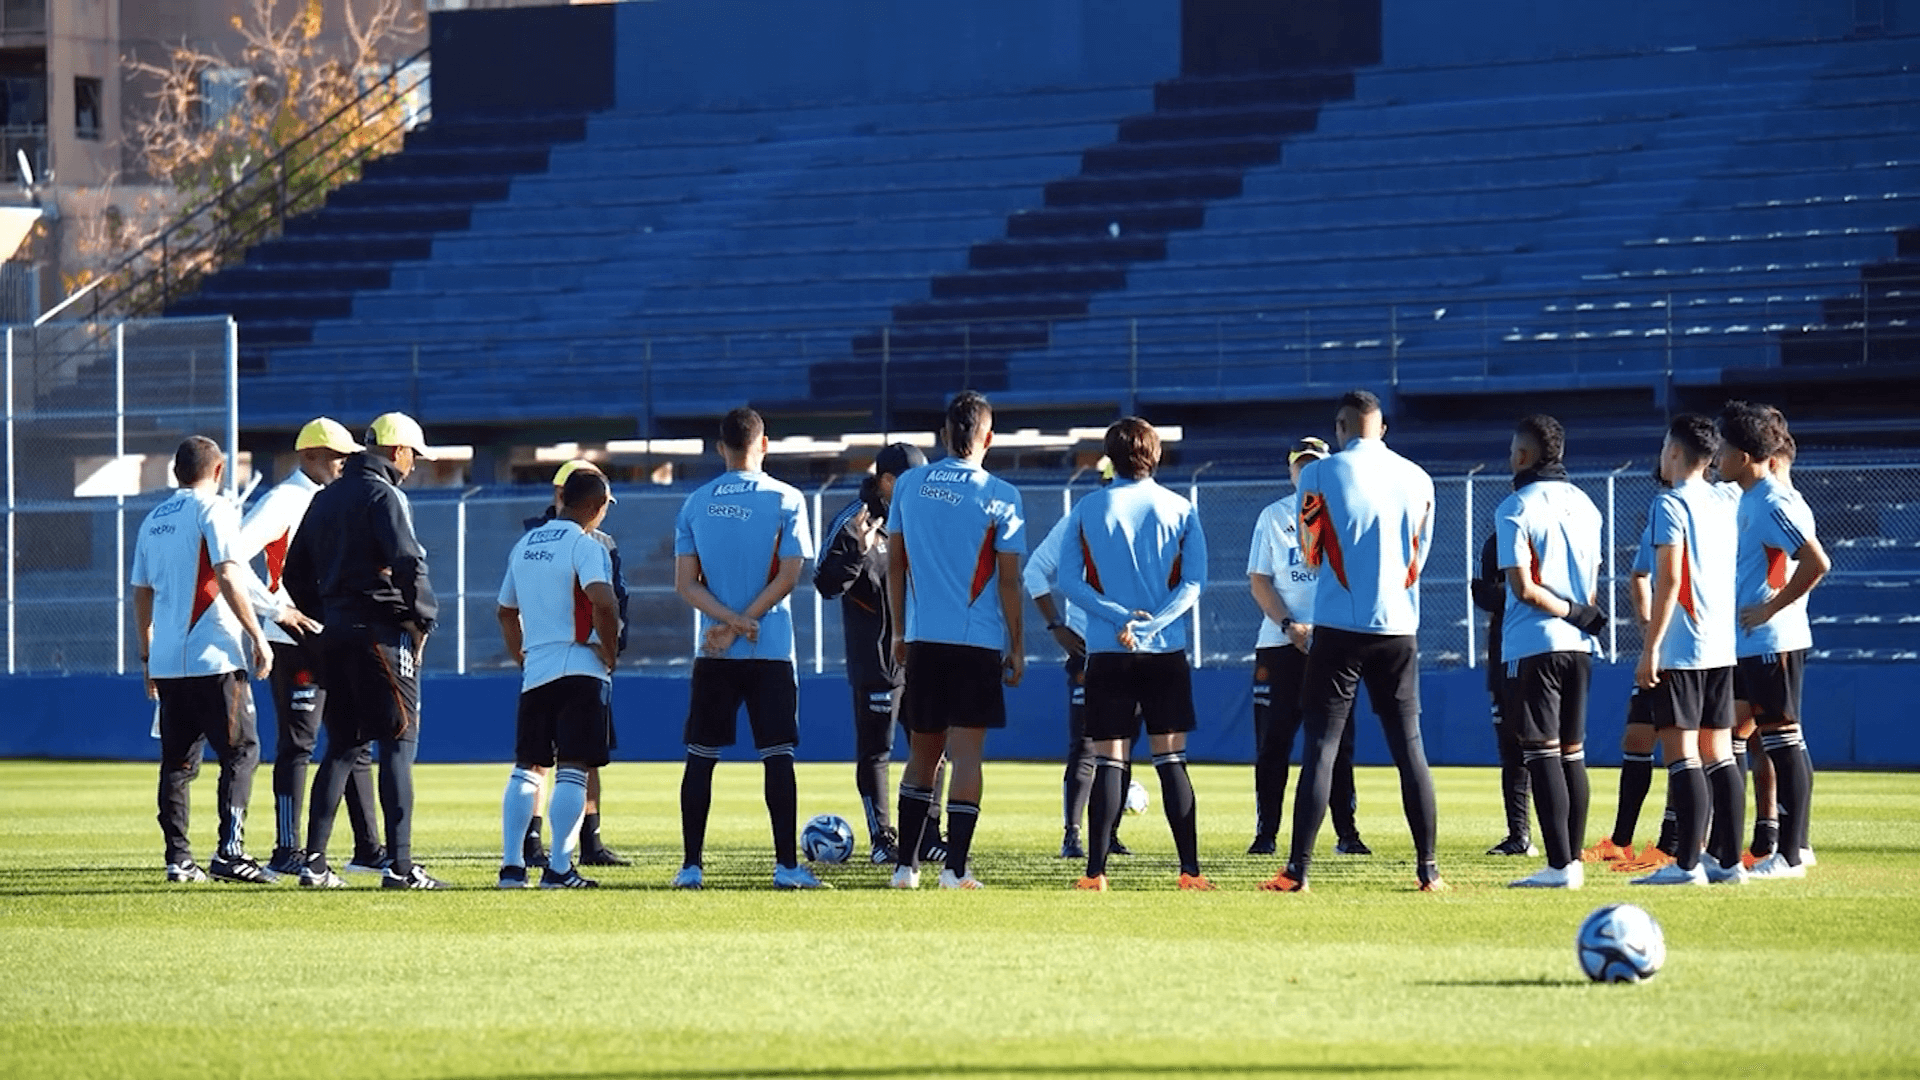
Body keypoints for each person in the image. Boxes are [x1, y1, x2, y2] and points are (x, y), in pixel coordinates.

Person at [1261, 389, 1446, 893]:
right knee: (1410, 748)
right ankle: (1428, 870)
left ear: (1341, 428)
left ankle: (1297, 870)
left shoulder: (1320, 473)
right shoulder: (1419, 478)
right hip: (1398, 626)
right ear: (1382, 428)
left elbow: (1310, 547)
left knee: (1320, 745)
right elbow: (1419, 556)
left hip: (1339, 625)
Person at [283, 411, 444, 890]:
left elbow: (294, 574)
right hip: (380, 635)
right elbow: (407, 561)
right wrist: (421, 619)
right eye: (413, 454)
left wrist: (326, 611)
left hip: (334, 634)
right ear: (397, 451)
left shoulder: (325, 497)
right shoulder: (385, 494)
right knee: (398, 740)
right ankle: (400, 866)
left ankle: (312, 863)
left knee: (344, 746)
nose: (413, 465)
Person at [670, 407, 824, 890]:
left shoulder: (696, 503)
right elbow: (791, 574)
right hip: (770, 647)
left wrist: (728, 624)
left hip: (714, 650)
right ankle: (786, 867)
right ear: (764, 445)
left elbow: (685, 584)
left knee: (701, 756)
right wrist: (746, 622)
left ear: (721, 448)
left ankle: (691, 867)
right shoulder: (787, 499)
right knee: (778, 756)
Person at [1055, 417, 1211, 891]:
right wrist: (1152, 624)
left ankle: (1095, 874)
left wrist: (1120, 618)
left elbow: (1069, 582)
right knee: (1170, 760)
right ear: (1155, 455)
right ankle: (1190, 873)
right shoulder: (1181, 509)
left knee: (1110, 760)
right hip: (1164, 651)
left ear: (1110, 457)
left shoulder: (1088, 508)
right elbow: (1193, 584)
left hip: (1107, 650)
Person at [886, 390, 1026, 890]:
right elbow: (1010, 581)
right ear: (988, 437)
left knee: (922, 756)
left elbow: (894, 566)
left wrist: (900, 631)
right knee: (966, 757)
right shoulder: (1002, 495)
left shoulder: (908, 484)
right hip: (978, 642)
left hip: (923, 640)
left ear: (945, 436)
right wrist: (1018, 644)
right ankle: (955, 869)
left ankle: (906, 868)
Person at [236, 417, 386, 878]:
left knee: (354, 742)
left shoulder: (330, 498)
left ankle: (368, 850)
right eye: (337, 456)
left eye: (347, 457)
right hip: (295, 640)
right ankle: (287, 850)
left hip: (333, 633)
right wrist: (273, 608)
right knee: (299, 743)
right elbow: (232, 554)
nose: (344, 464)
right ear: (309, 456)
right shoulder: (284, 499)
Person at [133, 436, 276, 884]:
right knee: (241, 751)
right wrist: (258, 635)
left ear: (176, 471)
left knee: (176, 764)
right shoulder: (213, 510)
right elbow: (228, 572)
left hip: (169, 664)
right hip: (213, 657)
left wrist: (147, 655)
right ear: (217, 471)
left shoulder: (152, 520)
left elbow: (141, 592)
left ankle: (178, 859)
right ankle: (230, 853)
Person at [812, 441, 950, 865]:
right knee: (877, 752)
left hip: (925, 652)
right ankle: (882, 838)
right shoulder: (853, 520)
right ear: (887, 481)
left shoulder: (925, 518)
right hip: (877, 658)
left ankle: (928, 833)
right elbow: (826, 583)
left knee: (933, 748)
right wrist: (857, 548)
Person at [1494, 415, 1608, 889]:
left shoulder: (1515, 507)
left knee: (1541, 752)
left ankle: (1561, 867)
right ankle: (1572, 861)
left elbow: (1522, 588)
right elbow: (1593, 584)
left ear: (1523, 456)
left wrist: (1566, 611)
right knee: (1572, 754)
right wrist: (1581, 616)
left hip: (1534, 642)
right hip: (1579, 644)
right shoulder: (1587, 504)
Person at [495, 468, 622, 889]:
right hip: (580, 668)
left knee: (527, 769)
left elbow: (505, 611)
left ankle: (512, 868)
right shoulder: (586, 546)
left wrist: (520, 656)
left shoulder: (524, 544)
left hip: (537, 670)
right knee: (573, 768)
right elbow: (603, 601)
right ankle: (560, 868)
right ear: (593, 506)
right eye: (603, 507)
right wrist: (608, 650)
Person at [1631, 414, 1744, 887]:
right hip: (1722, 645)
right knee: (1720, 752)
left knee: (1682, 754)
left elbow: (1670, 579)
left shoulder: (1669, 503)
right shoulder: (1727, 498)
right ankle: (1729, 862)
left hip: (1682, 647)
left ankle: (1687, 866)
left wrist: (1650, 648)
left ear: (1674, 452)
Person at [1719, 402, 1828, 880]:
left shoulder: (1773, 502)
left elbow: (1816, 562)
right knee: (1729, 734)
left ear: (1744, 456)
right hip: (1748, 644)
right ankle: (1728, 849)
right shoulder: (1749, 499)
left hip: (1772, 640)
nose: (1716, 455)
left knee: (1784, 741)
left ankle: (1791, 853)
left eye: (1723, 447)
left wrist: (1769, 607)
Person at [1246, 436, 1368, 858]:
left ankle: (1347, 834)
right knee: (1272, 743)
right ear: (1291, 470)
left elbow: (1356, 579)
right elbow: (1259, 580)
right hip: (1279, 645)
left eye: (1315, 462)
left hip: (1332, 643)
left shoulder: (1345, 513)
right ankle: (1266, 833)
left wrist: (1324, 628)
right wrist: (1289, 625)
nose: (1307, 470)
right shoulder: (1273, 515)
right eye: (1302, 464)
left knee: (1337, 743)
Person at [1024, 459, 1132, 862]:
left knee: (1122, 744)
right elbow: (1035, 571)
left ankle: (1110, 833)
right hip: (1091, 650)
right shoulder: (1078, 522)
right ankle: (1073, 834)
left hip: (1127, 648)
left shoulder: (1137, 517)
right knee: (1087, 747)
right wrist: (1056, 627)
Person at [1471, 530, 1535, 857]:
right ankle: (1522, 835)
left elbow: (1507, 596)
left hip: (1523, 652)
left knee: (1540, 748)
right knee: (1518, 747)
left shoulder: (1510, 530)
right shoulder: (1499, 538)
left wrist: (1487, 592)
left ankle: (1541, 838)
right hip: (1516, 653)